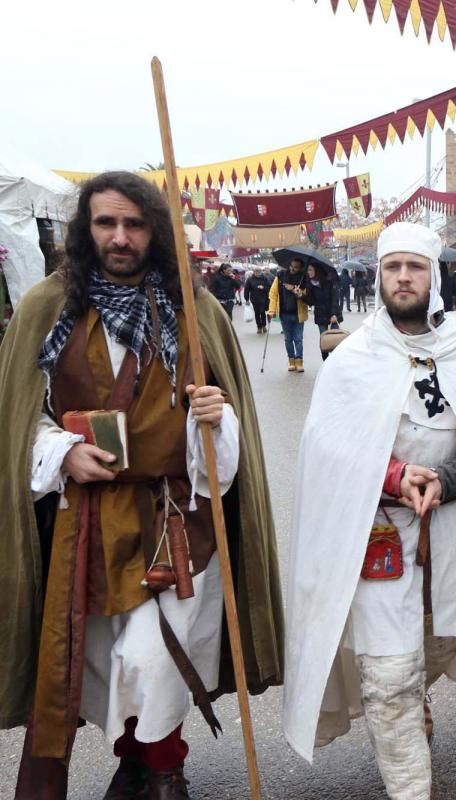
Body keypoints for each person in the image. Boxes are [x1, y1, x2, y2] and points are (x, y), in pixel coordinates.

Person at [0, 171, 283, 799]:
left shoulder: (193, 306)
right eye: (107, 223)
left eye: (134, 223)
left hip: (174, 520)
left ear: (154, 230)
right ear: (86, 230)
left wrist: (216, 418)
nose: (121, 237)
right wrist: (62, 453)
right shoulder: (49, 306)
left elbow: (226, 444)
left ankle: (164, 770)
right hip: (85, 522)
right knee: (100, 660)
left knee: (158, 660)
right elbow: (20, 417)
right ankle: (135, 759)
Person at [283, 222, 456, 799]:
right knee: (387, 677)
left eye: (415, 267)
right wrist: (392, 475)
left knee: (440, 643)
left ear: (434, 278)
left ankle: (416, 695)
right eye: (392, 268)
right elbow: (329, 452)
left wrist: (450, 478)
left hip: (451, 535)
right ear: (380, 277)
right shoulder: (353, 360)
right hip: (379, 535)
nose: (403, 277)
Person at [268, 257, 310, 373]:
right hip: (284, 313)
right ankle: (291, 361)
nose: (293, 268)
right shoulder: (281, 276)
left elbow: (308, 296)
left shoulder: (304, 278)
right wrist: (271, 310)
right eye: (292, 266)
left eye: (296, 267)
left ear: (301, 268)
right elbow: (273, 294)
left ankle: (299, 361)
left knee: (298, 339)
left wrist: (298, 291)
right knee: (288, 339)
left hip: (298, 313)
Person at [304, 263, 343, 362]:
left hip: (332, 314)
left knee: (334, 339)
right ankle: (326, 362)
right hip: (320, 315)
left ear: (317, 271)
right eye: (308, 270)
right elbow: (311, 302)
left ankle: (335, 361)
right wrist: (300, 295)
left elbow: (335, 298)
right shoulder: (310, 284)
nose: (308, 272)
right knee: (324, 340)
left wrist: (334, 314)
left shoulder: (329, 283)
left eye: (310, 270)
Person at [245, 268, 271, 334]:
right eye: (256, 272)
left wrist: (263, 288)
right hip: (254, 299)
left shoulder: (265, 278)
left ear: (261, 272)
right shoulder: (250, 279)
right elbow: (246, 289)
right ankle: (259, 327)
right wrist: (247, 299)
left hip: (263, 298)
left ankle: (264, 326)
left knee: (262, 312)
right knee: (257, 313)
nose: (257, 273)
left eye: (259, 272)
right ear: (254, 272)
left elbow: (269, 287)